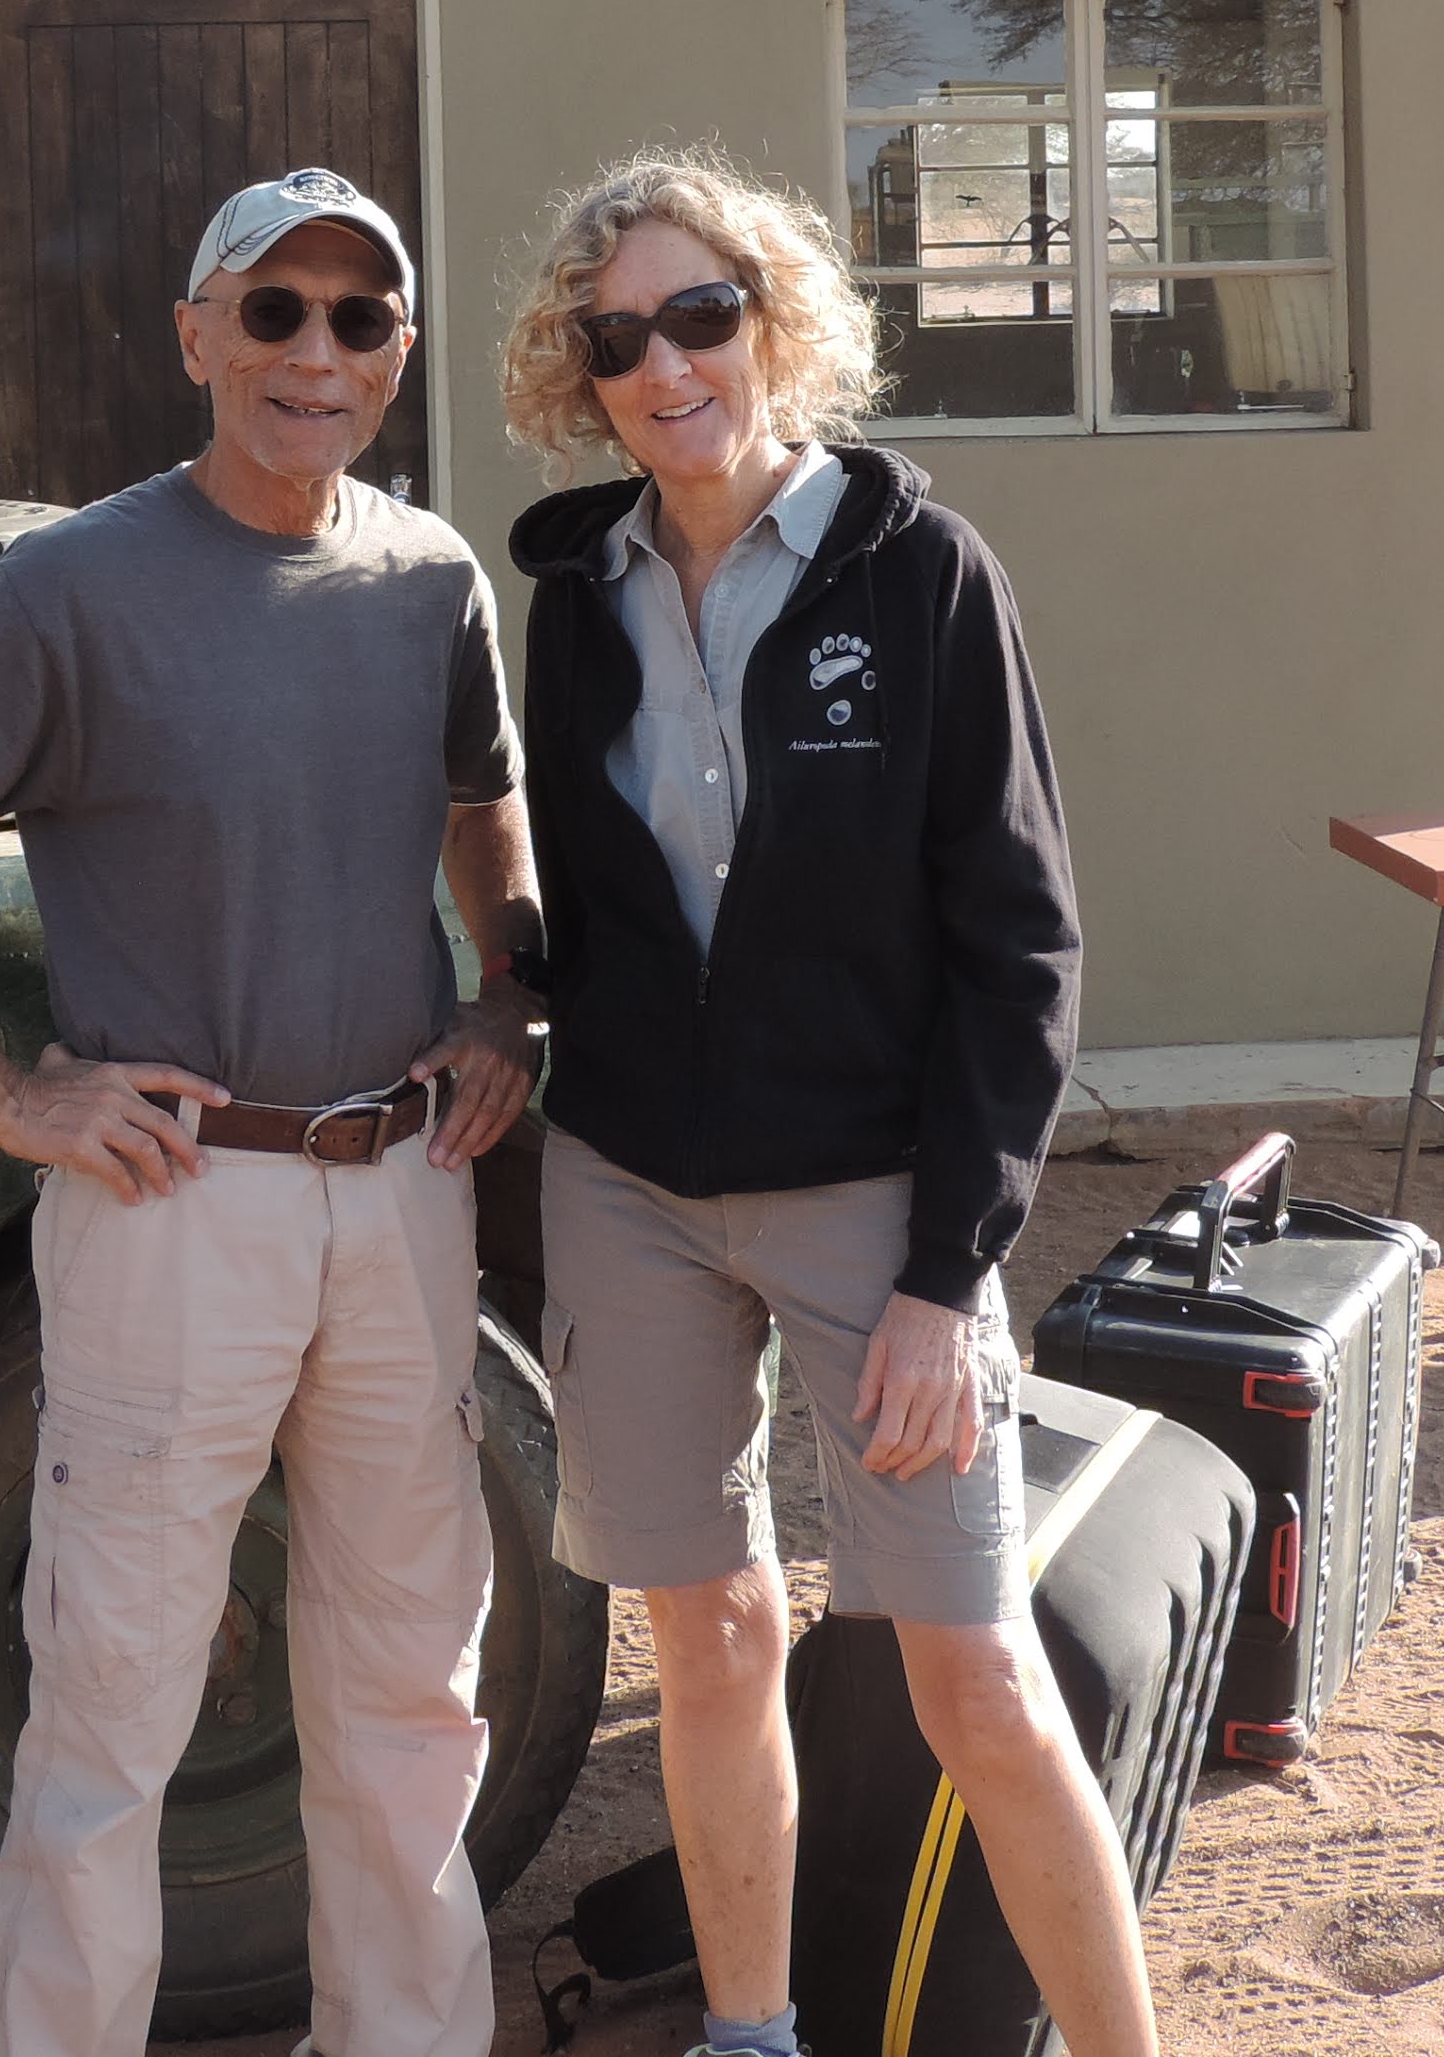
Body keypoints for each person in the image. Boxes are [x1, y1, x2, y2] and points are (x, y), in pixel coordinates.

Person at [0, 166, 548, 2057]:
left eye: (358, 318)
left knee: (413, 1701)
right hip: (177, 1207)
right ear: (193, 336)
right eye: (271, 310)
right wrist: (9, 1090)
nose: (314, 352)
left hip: (404, 1190)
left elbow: (485, 802)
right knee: (109, 1716)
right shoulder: (76, 589)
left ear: (398, 356)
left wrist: (510, 998)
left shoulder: (432, 577)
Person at [490, 152, 1157, 2057]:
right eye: (616, 337)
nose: (664, 364)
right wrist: (500, 1012)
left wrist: (953, 1275)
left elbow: (1019, 944)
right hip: (632, 1190)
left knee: (967, 1671)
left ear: (772, 321)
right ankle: (754, 2036)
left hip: (876, 1201)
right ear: (584, 373)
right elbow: (603, 919)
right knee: (707, 1635)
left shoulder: (919, 574)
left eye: (701, 314)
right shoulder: (580, 594)